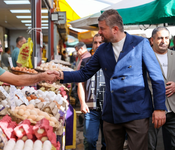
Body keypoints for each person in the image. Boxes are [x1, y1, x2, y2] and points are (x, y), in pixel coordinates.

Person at [48, 9, 166, 150]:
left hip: (137, 112)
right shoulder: (102, 50)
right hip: (112, 113)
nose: (99, 32)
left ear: (115, 29)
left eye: (102, 28)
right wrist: (60, 75)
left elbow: (157, 77)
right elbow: (84, 73)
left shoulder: (140, 44)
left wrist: (159, 108)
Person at [148, 27, 175, 150]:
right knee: (149, 145)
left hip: (173, 110)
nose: (163, 41)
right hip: (151, 111)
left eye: (166, 38)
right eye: (159, 38)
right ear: (152, 40)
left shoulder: (174, 55)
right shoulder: (145, 57)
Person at [77, 34, 106, 150]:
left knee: (108, 142)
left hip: (109, 108)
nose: (98, 45)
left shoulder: (112, 61)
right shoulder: (85, 62)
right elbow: (80, 83)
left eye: (100, 42)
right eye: (95, 42)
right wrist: (82, 103)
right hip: (90, 108)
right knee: (89, 140)